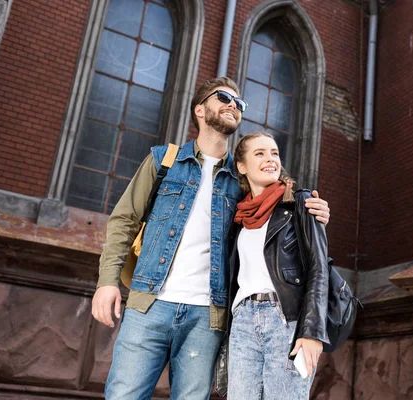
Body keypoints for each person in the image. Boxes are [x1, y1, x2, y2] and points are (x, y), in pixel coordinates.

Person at [91, 77, 330, 400]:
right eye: (224, 98)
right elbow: (124, 221)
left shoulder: (244, 175)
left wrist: (311, 207)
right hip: (149, 304)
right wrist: (107, 282)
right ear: (200, 110)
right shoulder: (164, 161)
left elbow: (278, 202)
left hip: (208, 315)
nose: (234, 105)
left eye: (239, 103)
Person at [227, 132, 329, 400]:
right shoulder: (239, 216)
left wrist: (312, 332)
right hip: (243, 322)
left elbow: (319, 270)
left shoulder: (301, 203)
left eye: (274, 153)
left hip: (286, 320)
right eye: (259, 154)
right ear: (241, 166)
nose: (270, 159)